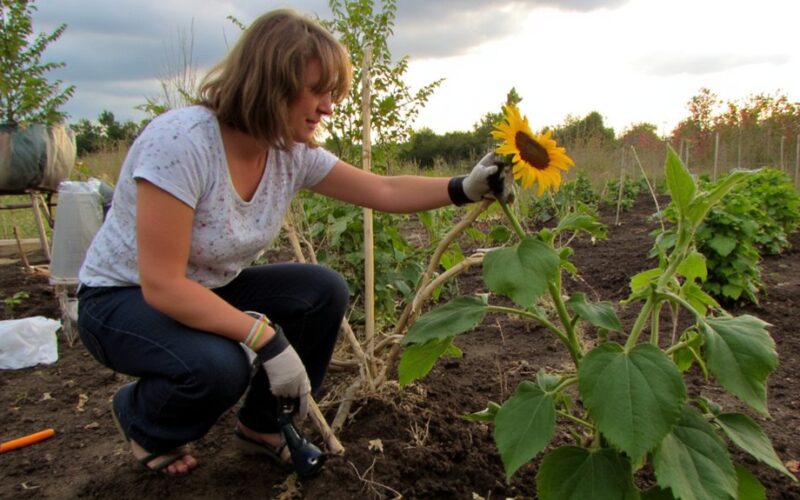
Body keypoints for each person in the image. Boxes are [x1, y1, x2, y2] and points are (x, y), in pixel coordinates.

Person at [76, 8, 511, 476]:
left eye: (333, 94)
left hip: (205, 290)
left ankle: (261, 427)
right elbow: (162, 285)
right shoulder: (182, 143)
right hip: (122, 300)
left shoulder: (287, 151)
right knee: (221, 368)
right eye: (317, 91)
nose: (328, 106)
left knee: (321, 291)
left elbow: (381, 190)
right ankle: (145, 421)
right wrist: (268, 340)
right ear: (270, 82)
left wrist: (461, 188)